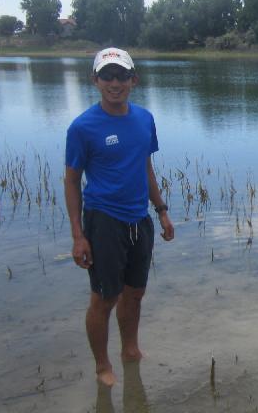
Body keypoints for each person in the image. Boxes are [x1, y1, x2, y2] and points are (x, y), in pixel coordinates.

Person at [64, 47, 174, 387]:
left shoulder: (144, 119)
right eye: (107, 76)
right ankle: (101, 366)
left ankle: (130, 349)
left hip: (139, 220)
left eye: (122, 76)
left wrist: (162, 210)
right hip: (104, 221)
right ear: (95, 80)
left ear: (133, 80)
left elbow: (145, 166)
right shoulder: (82, 127)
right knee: (104, 297)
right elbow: (71, 181)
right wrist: (78, 235)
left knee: (135, 293)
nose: (115, 83)